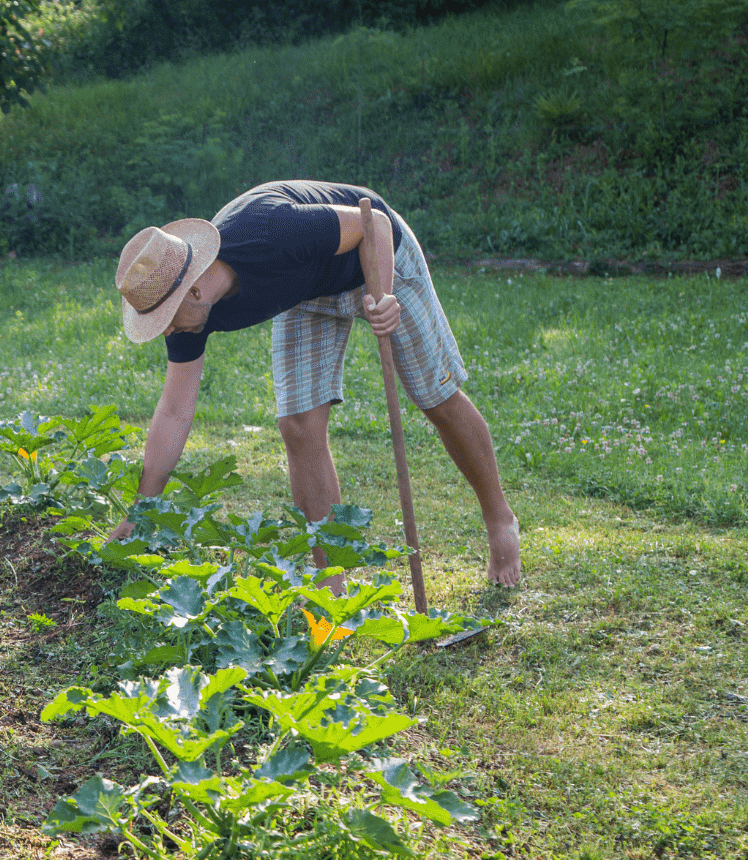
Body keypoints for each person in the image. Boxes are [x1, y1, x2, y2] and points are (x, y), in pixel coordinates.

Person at [111, 179, 521, 587]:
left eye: (164, 321)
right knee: (299, 425)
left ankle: (499, 518)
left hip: (376, 257)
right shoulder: (192, 316)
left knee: (437, 398)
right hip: (305, 292)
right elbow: (175, 409)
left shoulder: (270, 231)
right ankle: (331, 582)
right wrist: (140, 511)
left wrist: (384, 297)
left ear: (195, 290)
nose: (165, 333)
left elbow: (372, 222)